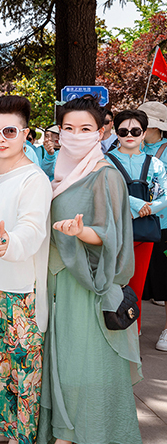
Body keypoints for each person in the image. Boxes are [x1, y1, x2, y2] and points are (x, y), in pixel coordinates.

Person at [37, 96, 141, 444]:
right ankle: (62, 432)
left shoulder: (105, 175)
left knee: (81, 364)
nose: (76, 135)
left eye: (85, 129)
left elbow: (112, 234)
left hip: (85, 283)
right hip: (56, 280)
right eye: (69, 128)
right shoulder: (59, 173)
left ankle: (78, 434)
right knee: (61, 361)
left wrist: (81, 232)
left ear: (100, 132)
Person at [0, 96, 52, 444]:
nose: (0, 138)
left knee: (23, 374)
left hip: (21, 291)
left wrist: (12, 244)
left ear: (26, 134)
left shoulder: (34, 178)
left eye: (9, 131)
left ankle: (22, 438)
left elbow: (33, 228)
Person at [105, 109, 167, 333]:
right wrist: (137, 206)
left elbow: (164, 195)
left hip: (145, 231)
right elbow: (106, 189)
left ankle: (133, 333)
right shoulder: (105, 161)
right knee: (111, 283)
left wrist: (146, 209)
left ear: (144, 133)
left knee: (137, 285)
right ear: (116, 133)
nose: (129, 135)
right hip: (114, 230)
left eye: (135, 131)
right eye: (123, 131)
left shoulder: (155, 164)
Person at [139, 101, 167, 350]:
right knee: (133, 276)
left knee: (165, 278)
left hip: (163, 223)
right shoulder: (129, 146)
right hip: (135, 223)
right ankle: (130, 322)